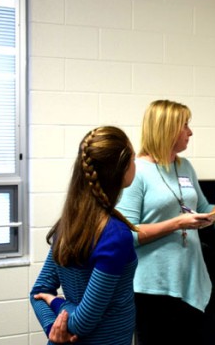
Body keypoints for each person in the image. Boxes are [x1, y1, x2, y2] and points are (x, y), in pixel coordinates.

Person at [116, 99, 215, 345]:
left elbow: (203, 210)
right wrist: (176, 224)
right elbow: (125, 235)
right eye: (185, 125)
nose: (190, 132)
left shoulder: (184, 166)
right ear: (166, 129)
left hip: (192, 280)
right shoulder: (137, 171)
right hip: (154, 288)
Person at [30, 126, 138, 345]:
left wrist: (54, 329)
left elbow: (37, 293)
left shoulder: (69, 223)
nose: (136, 165)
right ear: (122, 168)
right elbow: (81, 321)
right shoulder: (115, 235)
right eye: (134, 159)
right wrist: (55, 303)